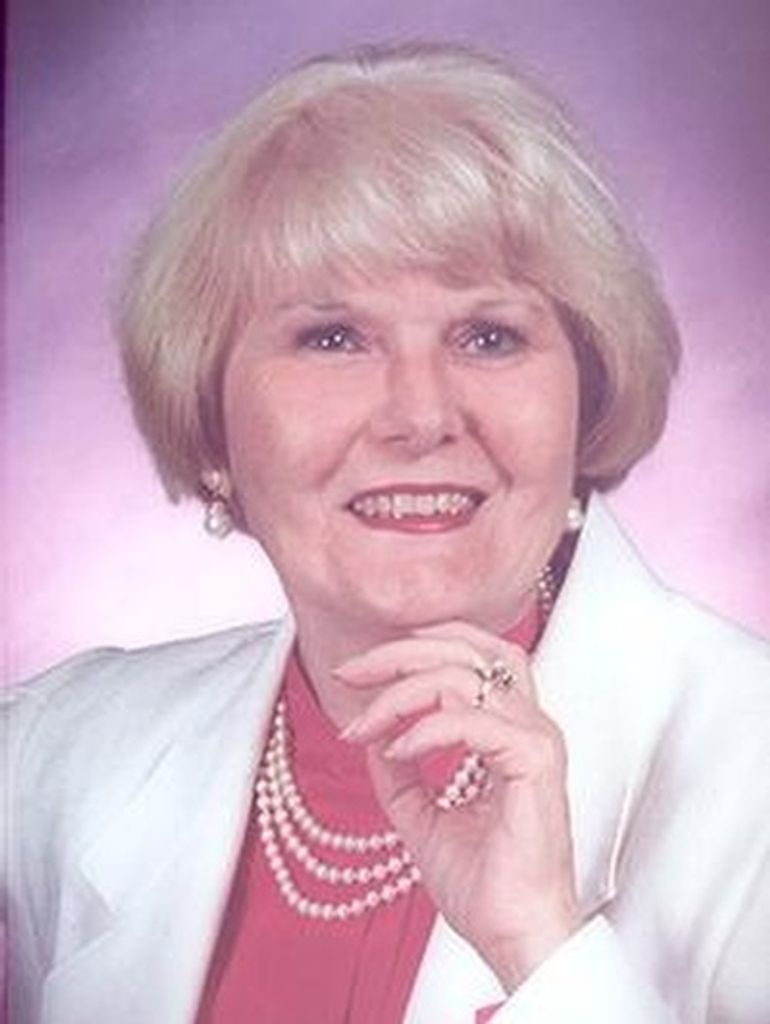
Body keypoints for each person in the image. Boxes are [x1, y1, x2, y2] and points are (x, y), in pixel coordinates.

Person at [4, 41, 769, 1024]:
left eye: (488, 335)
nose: (420, 415)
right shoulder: (62, 751)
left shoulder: (749, 758)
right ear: (212, 420)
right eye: (332, 338)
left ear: (585, 397)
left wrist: (544, 952)